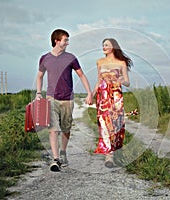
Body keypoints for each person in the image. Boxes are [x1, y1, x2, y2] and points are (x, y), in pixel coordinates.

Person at [36, 29, 92, 172]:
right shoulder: (45, 58)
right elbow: (40, 76)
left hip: (68, 98)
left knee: (66, 129)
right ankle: (55, 160)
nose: (67, 42)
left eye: (67, 40)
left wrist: (89, 93)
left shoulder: (71, 58)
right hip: (51, 98)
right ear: (57, 41)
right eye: (65, 40)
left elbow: (82, 75)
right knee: (53, 130)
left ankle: (63, 152)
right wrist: (38, 92)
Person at [92, 38, 133, 168]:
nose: (103, 47)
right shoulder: (100, 62)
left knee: (115, 124)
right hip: (103, 97)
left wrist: (121, 80)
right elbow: (98, 81)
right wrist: (91, 94)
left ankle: (114, 151)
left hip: (116, 96)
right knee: (104, 124)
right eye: (103, 45)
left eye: (106, 45)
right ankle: (108, 156)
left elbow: (127, 82)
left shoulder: (121, 63)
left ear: (113, 47)